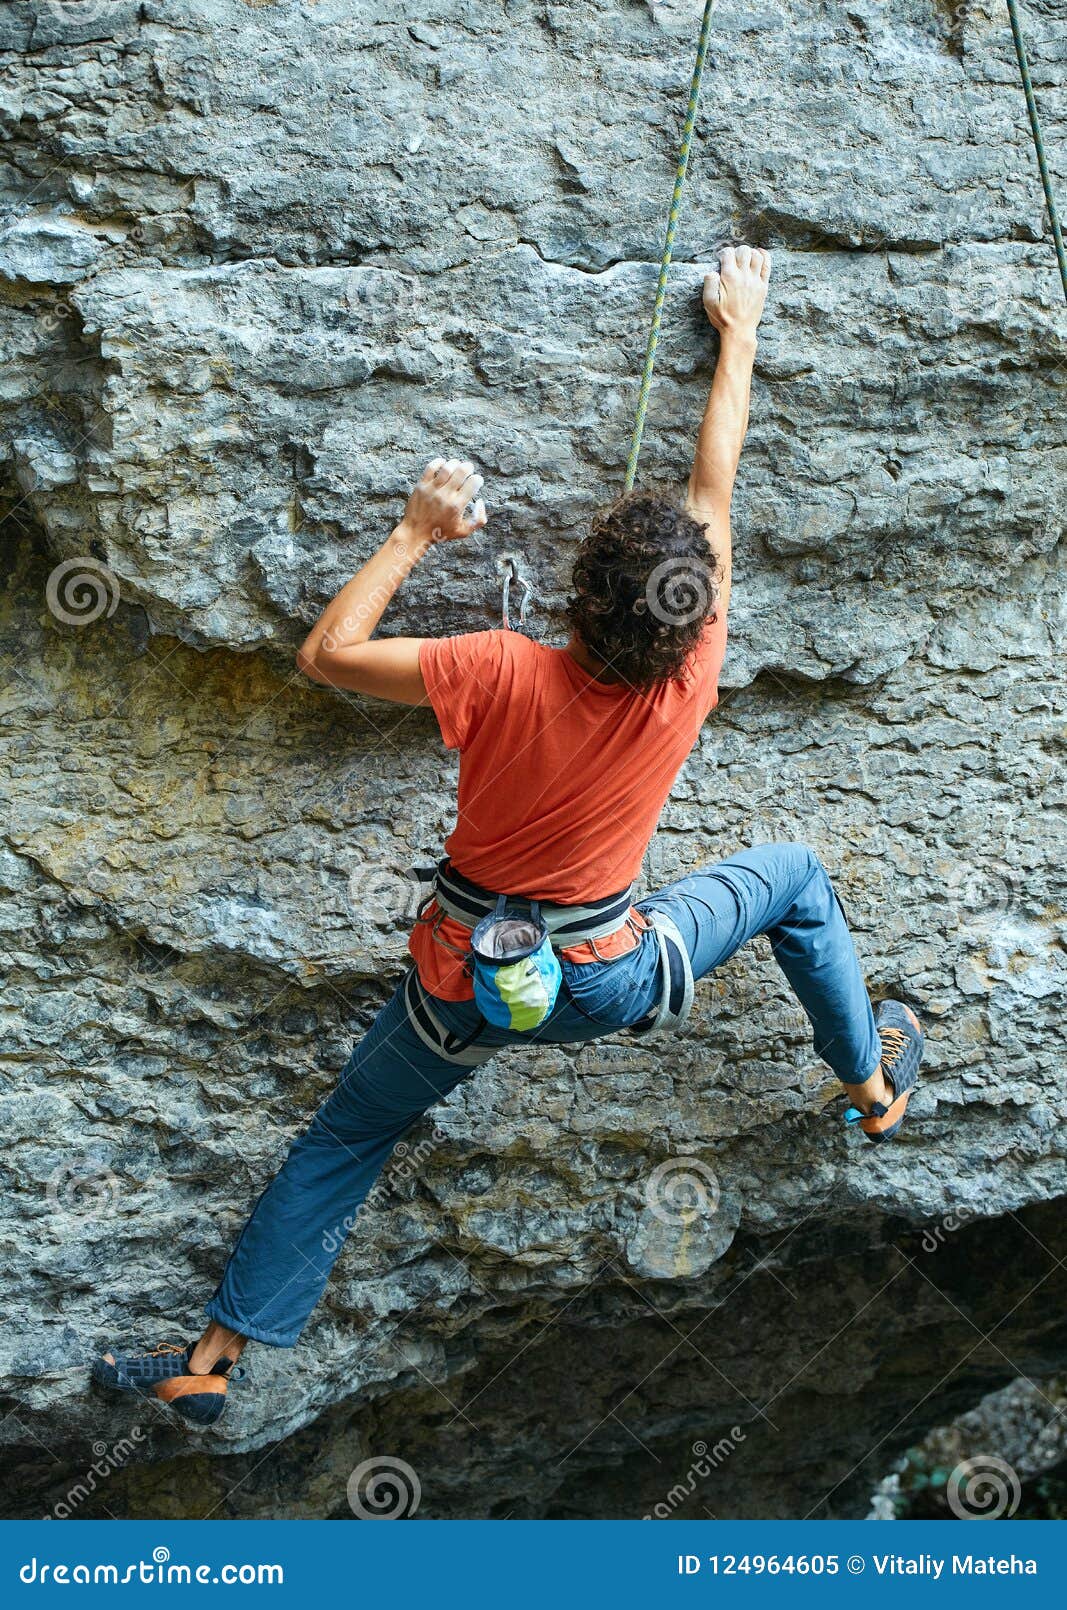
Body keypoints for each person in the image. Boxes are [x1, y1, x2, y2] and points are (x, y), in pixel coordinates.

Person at [93, 247, 924, 1426]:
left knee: (346, 1136)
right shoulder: (685, 678)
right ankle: (871, 1085)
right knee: (792, 878)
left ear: (577, 593)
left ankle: (211, 1358)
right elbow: (712, 489)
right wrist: (736, 331)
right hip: (606, 974)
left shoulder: (496, 671)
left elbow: (326, 656)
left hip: (465, 978)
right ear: (689, 621)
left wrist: (415, 532)